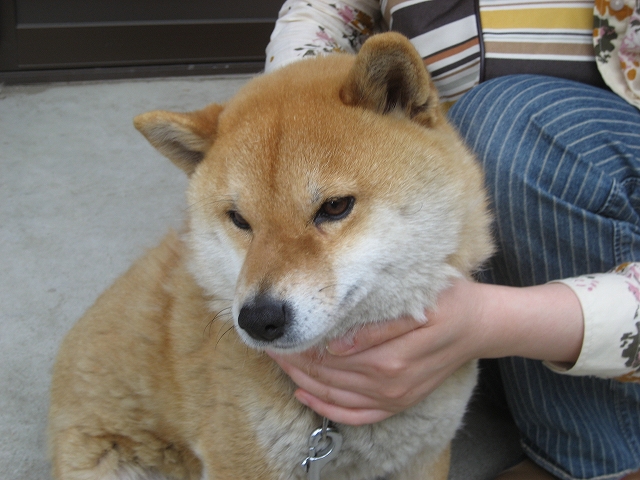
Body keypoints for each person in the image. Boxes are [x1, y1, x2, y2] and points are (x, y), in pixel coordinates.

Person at [263, 1, 640, 479]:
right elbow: (322, 11)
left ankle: (592, 454)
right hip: (450, 198)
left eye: (332, 207)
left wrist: (492, 320)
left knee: (508, 125)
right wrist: (295, 120)